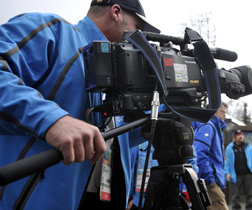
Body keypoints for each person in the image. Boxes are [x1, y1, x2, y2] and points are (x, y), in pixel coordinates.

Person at [0, 0, 159, 209]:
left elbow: (117, 138)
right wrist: (53, 121)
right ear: (116, 13)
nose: (140, 38)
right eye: (137, 28)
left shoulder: (123, 78)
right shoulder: (54, 31)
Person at [192, 102, 229, 210]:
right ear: (214, 111)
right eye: (222, 112)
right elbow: (199, 153)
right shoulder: (208, 126)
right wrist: (208, 179)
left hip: (212, 180)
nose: (225, 115)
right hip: (209, 182)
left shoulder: (215, 128)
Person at [224, 130, 252, 210]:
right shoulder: (230, 148)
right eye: (239, 135)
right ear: (235, 137)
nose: (241, 137)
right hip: (235, 175)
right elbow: (226, 161)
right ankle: (236, 208)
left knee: (249, 194)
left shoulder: (248, 146)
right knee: (236, 194)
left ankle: (250, 208)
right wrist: (227, 173)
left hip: (247, 174)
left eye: (242, 135)